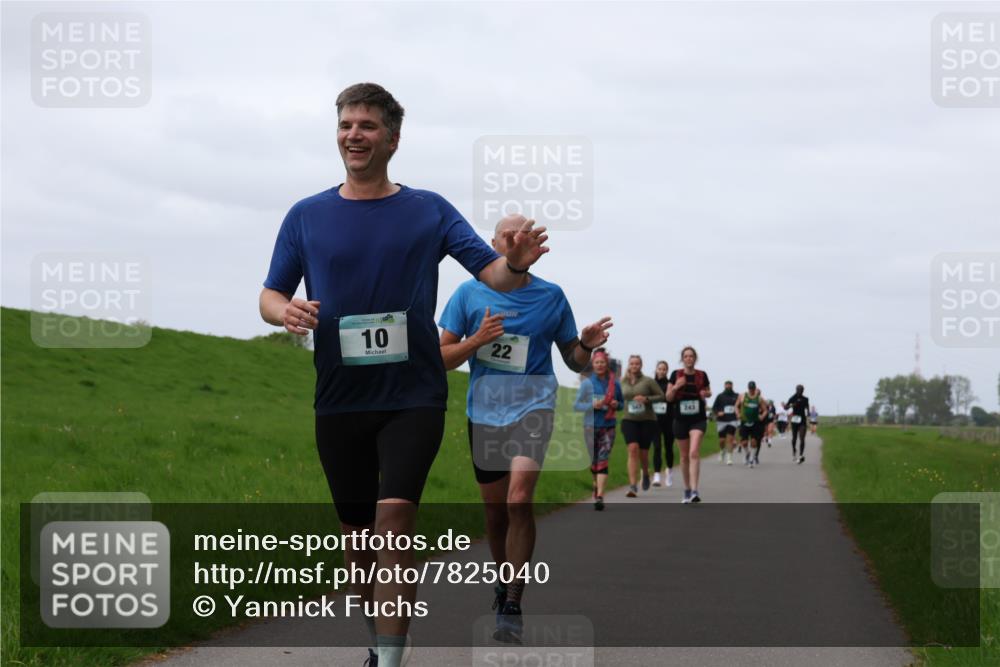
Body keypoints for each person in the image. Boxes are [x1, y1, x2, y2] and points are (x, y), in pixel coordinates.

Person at [259, 83, 548, 667]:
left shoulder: (428, 209)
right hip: (340, 397)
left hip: (412, 395)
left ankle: (388, 659)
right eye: (346, 125)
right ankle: (383, 638)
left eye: (367, 125)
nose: (354, 135)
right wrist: (284, 312)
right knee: (357, 541)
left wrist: (516, 264)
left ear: (392, 138)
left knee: (394, 521)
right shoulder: (306, 215)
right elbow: (269, 295)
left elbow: (494, 272)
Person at [439, 214, 612, 643]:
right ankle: (502, 583)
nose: (515, 240)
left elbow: (572, 359)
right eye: (507, 235)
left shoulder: (551, 296)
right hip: (485, 411)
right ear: (493, 244)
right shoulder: (467, 293)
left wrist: (585, 344)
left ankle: (513, 600)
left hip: (535, 406)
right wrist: (476, 341)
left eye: (522, 234)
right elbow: (441, 358)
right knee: (495, 512)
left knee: (518, 500)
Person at [575, 349, 624, 510]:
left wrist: (617, 404)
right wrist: (591, 405)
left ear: (607, 364)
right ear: (593, 364)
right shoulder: (587, 384)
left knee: (603, 459)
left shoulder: (615, 384)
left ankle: (600, 496)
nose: (600, 365)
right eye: (597, 362)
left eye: (602, 362)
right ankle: (596, 485)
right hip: (590, 426)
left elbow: (622, 404)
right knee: (593, 461)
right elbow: (576, 405)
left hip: (608, 426)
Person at [665, 346, 711, 503]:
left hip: (698, 419)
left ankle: (695, 490)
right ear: (682, 359)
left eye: (691, 356)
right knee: (684, 457)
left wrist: (706, 393)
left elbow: (708, 391)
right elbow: (668, 398)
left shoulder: (702, 375)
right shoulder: (675, 375)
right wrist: (676, 386)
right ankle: (687, 489)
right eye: (686, 356)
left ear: (695, 358)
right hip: (680, 420)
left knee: (694, 453)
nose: (689, 358)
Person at [620, 355, 666, 497]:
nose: (634, 366)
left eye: (637, 364)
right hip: (629, 419)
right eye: (632, 363)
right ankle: (633, 486)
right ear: (629, 365)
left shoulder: (648, 381)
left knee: (644, 454)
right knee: (633, 449)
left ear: (641, 365)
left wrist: (646, 399)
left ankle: (645, 473)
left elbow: (662, 396)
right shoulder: (622, 381)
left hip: (647, 420)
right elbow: (617, 397)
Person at [652, 361, 675, 486]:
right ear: (656, 370)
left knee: (668, 447)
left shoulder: (670, 385)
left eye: (664, 369)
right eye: (660, 369)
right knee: (657, 447)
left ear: (667, 371)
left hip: (668, 420)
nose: (661, 371)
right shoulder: (651, 384)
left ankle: (669, 470)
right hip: (654, 420)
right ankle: (656, 475)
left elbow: (673, 400)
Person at [736, 381, 766, 467]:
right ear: (748, 388)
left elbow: (765, 410)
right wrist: (738, 413)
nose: (751, 390)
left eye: (753, 388)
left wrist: (762, 416)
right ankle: (747, 453)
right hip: (744, 421)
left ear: (755, 388)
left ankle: (752, 459)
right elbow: (736, 406)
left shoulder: (759, 398)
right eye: (750, 388)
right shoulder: (742, 396)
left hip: (755, 422)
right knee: (744, 442)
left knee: (753, 442)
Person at [711, 380, 739, 465]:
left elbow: (740, 406)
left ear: (732, 386)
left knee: (730, 439)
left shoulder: (736, 396)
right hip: (722, 420)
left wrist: (739, 413)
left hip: (732, 420)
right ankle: (722, 450)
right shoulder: (720, 396)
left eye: (730, 385)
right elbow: (714, 408)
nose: (728, 387)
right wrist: (718, 413)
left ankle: (729, 458)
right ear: (724, 386)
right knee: (722, 441)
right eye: (727, 385)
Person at [784, 385, 811, 464]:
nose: (800, 391)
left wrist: (808, 413)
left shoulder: (805, 399)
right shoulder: (792, 398)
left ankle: (801, 455)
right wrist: (791, 405)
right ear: (796, 390)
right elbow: (785, 407)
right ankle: (794, 450)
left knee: (802, 438)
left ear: (803, 391)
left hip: (802, 420)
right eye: (799, 390)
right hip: (794, 420)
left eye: (801, 390)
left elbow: (807, 407)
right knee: (794, 438)